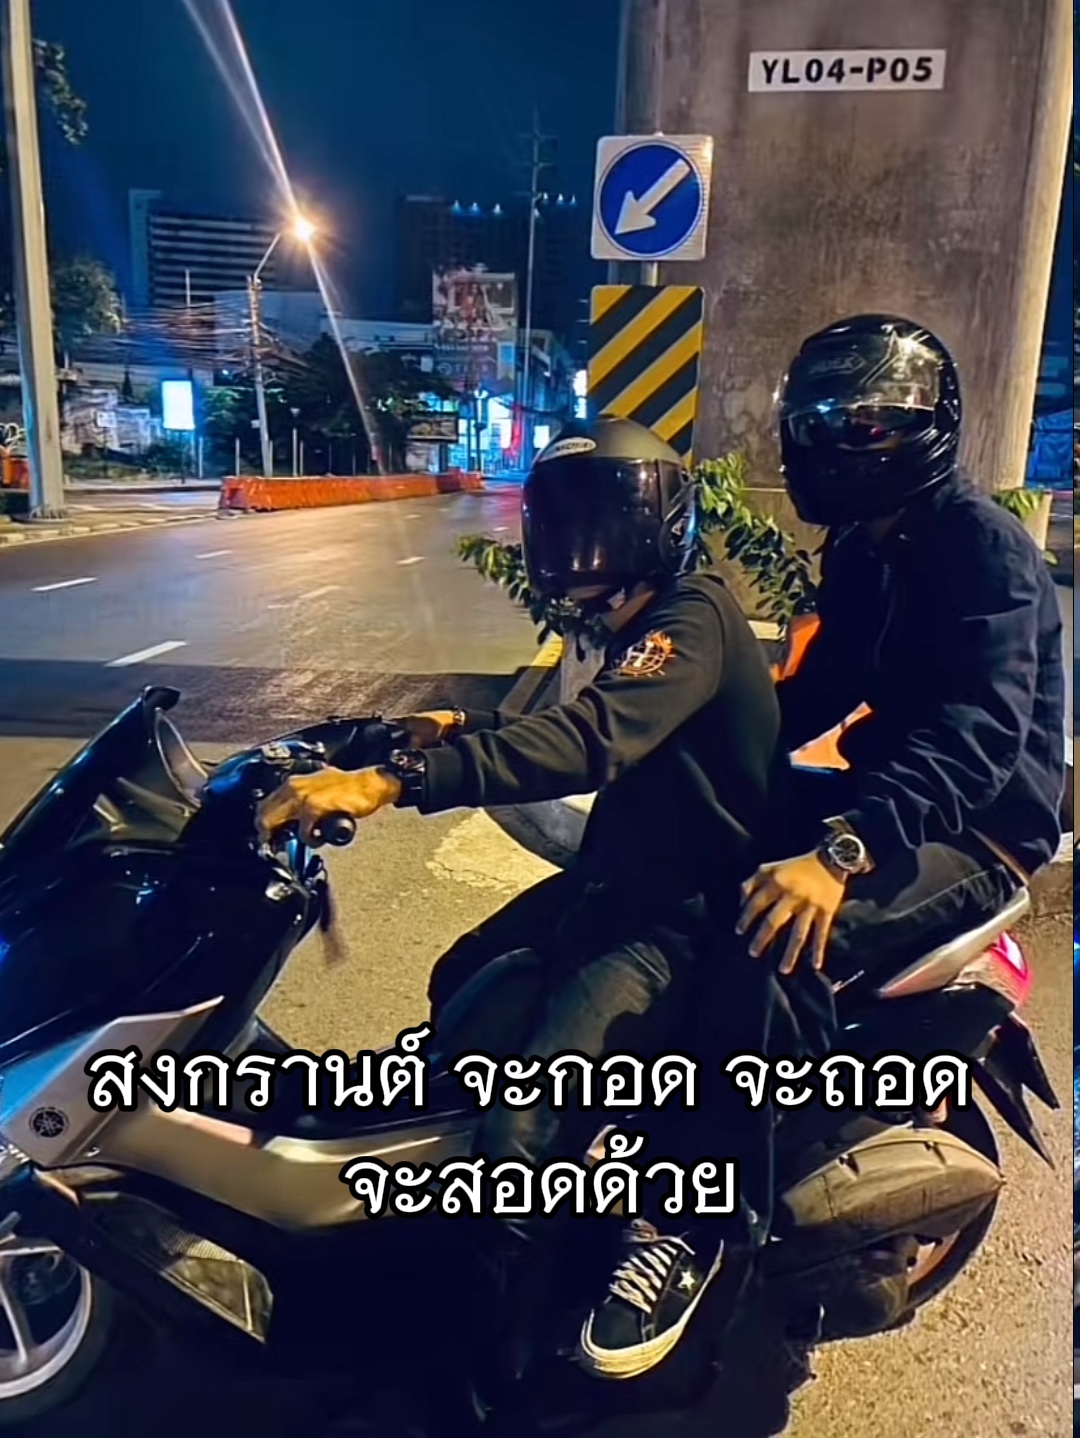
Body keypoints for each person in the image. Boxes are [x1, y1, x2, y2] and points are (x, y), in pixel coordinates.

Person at [574, 313, 1067, 1382]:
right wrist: (693, 750)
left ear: (928, 426)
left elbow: (978, 740)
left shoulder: (982, 547)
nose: (837, 441)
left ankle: (697, 1223)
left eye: (866, 423)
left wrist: (838, 856)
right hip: (891, 795)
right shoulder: (863, 546)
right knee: (686, 839)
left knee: (770, 928)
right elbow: (820, 693)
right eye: (820, 420)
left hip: (976, 826)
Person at [256, 416, 791, 1380]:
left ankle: (503, 1353)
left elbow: (594, 740)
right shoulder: (638, 624)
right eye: (567, 522)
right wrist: (457, 724)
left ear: (660, 523)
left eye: (606, 521)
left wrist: (394, 782)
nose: (583, 544)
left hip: (679, 915)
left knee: (525, 1123)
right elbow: (585, 723)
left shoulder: (690, 620)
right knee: (462, 984)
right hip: (616, 886)